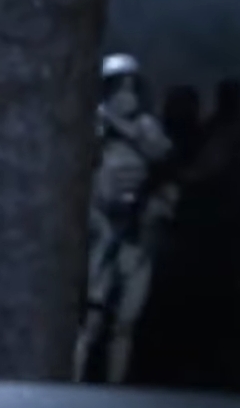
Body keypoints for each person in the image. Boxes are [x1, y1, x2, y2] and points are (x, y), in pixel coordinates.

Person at [74, 53, 175, 384]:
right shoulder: (92, 122)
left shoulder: (146, 127)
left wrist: (123, 127)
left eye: (131, 88)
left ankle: (116, 386)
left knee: (126, 320)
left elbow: (160, 154)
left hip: (135, 231)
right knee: (92, 315)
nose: (126, 95)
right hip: (99, 226)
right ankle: (74, 382)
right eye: (119, 87)